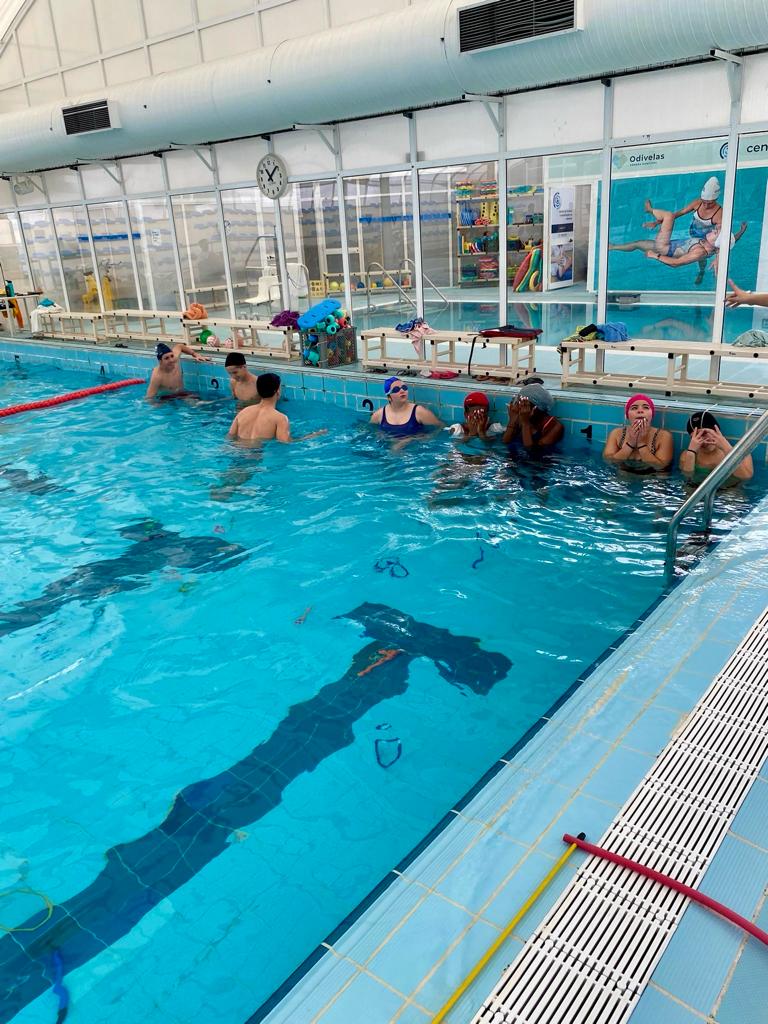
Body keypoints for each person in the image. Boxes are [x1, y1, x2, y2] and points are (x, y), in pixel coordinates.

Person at [227, 372, 326, 443]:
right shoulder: (280, 418)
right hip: (256, 456)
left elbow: (230, 436)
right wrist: (313, 436)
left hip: (237, 450)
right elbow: (286, 442)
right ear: (277, 391)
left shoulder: (243, 412)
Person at [603, 394, 674, 472]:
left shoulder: (663, 436)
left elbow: (660, 467)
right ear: (627, 415)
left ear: (652, 414)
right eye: (634, 408)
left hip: (652, 476)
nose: (640, 411)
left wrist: (641, 443)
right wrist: (631, 443)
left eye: (646, 407)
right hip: (623, 475)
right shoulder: (616, 434)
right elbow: (609, 461)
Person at [680, 410, 753, 485]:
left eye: (704, 433)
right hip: (696, 487)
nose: (702, 439)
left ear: (716, 431)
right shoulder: (687, 455)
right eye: (695, 436)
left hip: (730, 489)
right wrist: (691, 452)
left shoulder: (741, 453)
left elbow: (745, 477)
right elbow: (687, 477)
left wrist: (727, 448)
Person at [369, 377, 442, 437]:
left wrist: (411, 439)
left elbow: (440, 428)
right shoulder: (379, 415)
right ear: (389, 397)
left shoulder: (419, 412)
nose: (402, 391)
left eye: (404, 387)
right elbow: (372, 432)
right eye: (396, 389)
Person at [503, 383, 563, 449]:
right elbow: (505, 442)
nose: (519, 407)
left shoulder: (554, 426)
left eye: (523, 405)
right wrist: (512, 420)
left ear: (534, 409)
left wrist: (525, 423)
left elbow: (531, 450)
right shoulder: (521, 416)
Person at [146, 341, 211, 398]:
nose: (171, 360)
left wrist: (195, 354)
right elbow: (149, 398)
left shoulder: (175, 359)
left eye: (172, 356)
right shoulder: (157, 376)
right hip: (167, 399)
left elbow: (179, 346)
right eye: (166, 358)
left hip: (182, 393)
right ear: (160, 361)